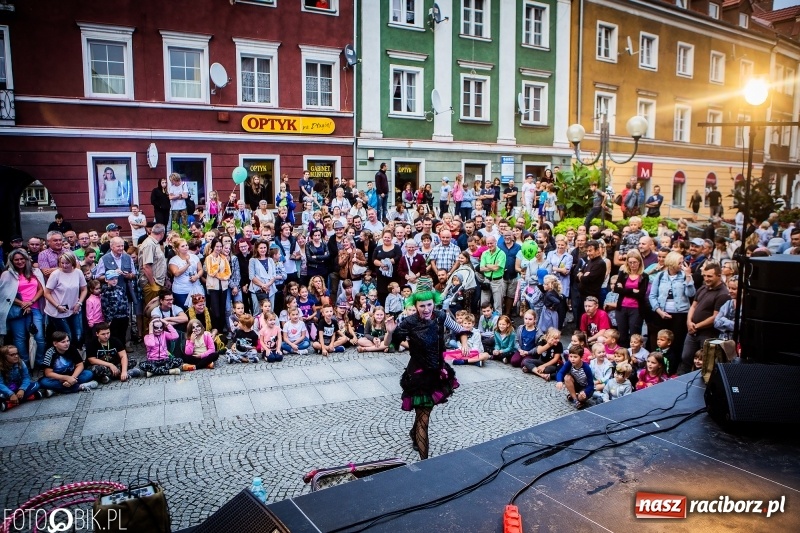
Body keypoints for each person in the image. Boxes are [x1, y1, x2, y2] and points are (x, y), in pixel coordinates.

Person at [384, 277, 469, 459]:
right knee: (424, 419)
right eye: (422, 306)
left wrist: (464, 343)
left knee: (424, 412)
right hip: (418, 376)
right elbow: (390, 346)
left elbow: (461, 329)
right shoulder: (409, 322)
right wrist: (390, 333)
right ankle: (425, 463)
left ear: (434, 302)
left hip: (437, 372)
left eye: (429, 305)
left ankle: (414, 432)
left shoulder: (441, 316)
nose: (426, 309)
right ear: (415, 305)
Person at [678, 262, 730, 375]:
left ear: (719, 276)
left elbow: (716, 317)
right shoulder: (703, 288)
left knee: (705, 361)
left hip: (707, 333)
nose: (706, 278)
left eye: (710, 276)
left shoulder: (723, 294)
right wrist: (689, 322)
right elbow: (693, 306)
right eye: (705, 275)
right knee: (686, 357)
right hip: (692, 331)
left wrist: (696, 326)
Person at [1, 249, 47, 368]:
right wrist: (22, 303)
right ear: (11, 261)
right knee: (20, 339)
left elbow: (42, 289)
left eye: (22, 259)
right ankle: (24, 364)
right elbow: (5, 294)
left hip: (35, 307)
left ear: (27, 259)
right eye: (16, 259)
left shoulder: (35, 272)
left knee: (39, 337)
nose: (20, 261)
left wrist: (30, 302)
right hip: (17, 310)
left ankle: (39, 363)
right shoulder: (7, 274)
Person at [43, 251, 87, 348]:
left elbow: (84, 289)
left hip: (74, 308)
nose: (64, 265)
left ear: (72, 263)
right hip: (58, 309)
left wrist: (79, 303)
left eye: (67, 263)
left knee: (78, 334)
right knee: (67, 335)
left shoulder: (78, 272)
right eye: (62, 263)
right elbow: (46, 293)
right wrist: (57, 306)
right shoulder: (55, 274)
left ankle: (77, 354)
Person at [138, 224, 167, 329]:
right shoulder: (149, 244)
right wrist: (152, 284)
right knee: (150, 310)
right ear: (162, 233)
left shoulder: (155, 244)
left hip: (158, 281)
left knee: (156, 311)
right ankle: (148, 335)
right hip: (151, 283)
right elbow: (146, 266)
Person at [1, 345, 47, 412]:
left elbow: (26, 377)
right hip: (5, 390)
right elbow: (0, 384)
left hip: (18, 387)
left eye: (17, 354)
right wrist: (10, 394)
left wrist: (22, 389)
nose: (16, 356)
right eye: (12, 355)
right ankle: (30, 397)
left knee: (36, 385)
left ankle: (10, 403)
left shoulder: (20, 362)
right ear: (4, 357)